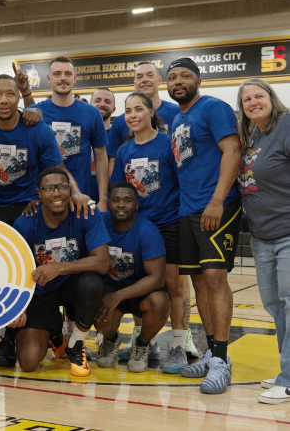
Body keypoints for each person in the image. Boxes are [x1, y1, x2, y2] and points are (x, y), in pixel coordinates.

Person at [0, 74, 91, 370]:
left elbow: (55, 169)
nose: (3, 100)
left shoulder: (37, 127)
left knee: (18, 273)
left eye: (10, 94)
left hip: (25, 207)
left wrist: (57, 194)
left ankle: (9, 338)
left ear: (20, 97)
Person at [166, 57, 241, 395]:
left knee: (214, 278)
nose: (177, 81)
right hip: (187, 210)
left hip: (216, 206)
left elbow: (232, 150)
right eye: (172, 77)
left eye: (184, 75)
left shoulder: (214, 108)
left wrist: (217, 199)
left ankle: (222, 360)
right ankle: (211, 352)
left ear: (198, 80)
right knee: (198, 280)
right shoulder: (177, 119)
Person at [109, 92, 198, 372]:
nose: (133, 115)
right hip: (138, 227)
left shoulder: (168, 143)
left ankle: (179, 346)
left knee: (174, 286)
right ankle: (144, 340)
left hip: (170, 223)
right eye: (127, 111)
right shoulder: (124, 151)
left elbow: (185, 180)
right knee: (142, 283)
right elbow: (119, 191)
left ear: (151, 112)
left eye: (138, 109)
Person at [13, 167, 110, 377]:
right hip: (40, 290)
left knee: (93, 284)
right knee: (28, 362)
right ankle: (56, 334)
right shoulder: (25, 222)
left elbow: (102, 262)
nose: (56, 193)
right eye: (49, 188)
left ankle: (76, 344)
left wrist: (58, 267)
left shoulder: (86, 212)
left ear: (70, 190)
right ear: (38, 193)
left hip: (73, 285)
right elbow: (15, 269)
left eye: (62, 187)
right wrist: (17, 307)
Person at [237, 79, 290, 404]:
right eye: (247, 99)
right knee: (275, 307)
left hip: (288, 233)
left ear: (271, 97)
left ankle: (288, 378)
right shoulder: (251, 136)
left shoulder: (287, 124)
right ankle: (287, 369)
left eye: (259, 96)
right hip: (261, 236)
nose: (254, 102)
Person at [95, 182, 170, 370]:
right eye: (116, 200)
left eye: (127, 200)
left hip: (139, 288)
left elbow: (157, 278)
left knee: (160, 302)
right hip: (108, 285)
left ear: (136, 205)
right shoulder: (98, 222)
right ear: (109, 203)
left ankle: (142, 344)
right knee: (90, 297)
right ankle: (111, 339)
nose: (121, 205)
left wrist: (118, 296)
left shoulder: (148, 231)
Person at [28, 56, 109, 212]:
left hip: (82, 196)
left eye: (67, 74)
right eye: (57, 74)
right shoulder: (35, 112)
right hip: (43, 198)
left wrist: (103, 199)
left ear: (75, 78)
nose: (63, 78)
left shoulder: (92, 113)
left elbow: (100, 155)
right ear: (48, 79)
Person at [108, 61, 180, 177]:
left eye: (150, 75)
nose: (144, 79)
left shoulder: (177, 112)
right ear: (135, 83)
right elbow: (113, 161)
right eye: (140, 77)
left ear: (160, 80)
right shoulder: (121, 122)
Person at [89, 87, 115, 204]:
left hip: (111, 199)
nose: (102, 104)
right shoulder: (82, 134)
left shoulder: (119, 135)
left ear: (114, 109)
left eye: (107, 101)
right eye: (98, 100)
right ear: (89, 106)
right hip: (83, 196)